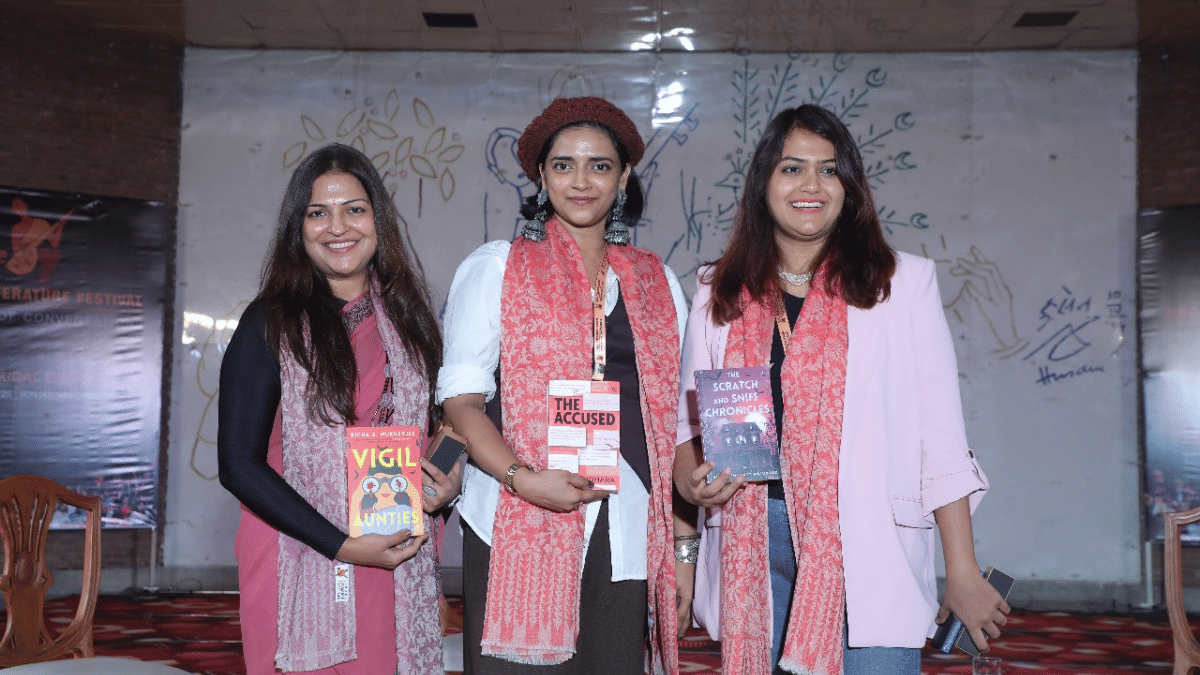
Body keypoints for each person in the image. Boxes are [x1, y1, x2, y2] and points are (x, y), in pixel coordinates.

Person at [674, 105, 1010, 675]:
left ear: (849, 189)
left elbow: (942, 439)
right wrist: (690, 477)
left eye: (829, 171)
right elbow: (690, 429)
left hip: (866, 537)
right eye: (792, 169)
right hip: (751, 537)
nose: (811, 185)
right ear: (764, 185)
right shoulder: (717, 289)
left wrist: (964, 569)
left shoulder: (902, 285)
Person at [439, 96, 690, 675]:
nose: (581, 181)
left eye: (600, 165)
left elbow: (672, 425)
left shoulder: (657, 281)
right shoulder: (496, 267)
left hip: (625, 518)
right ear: (540, 176)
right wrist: (524, 481)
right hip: (515, 515)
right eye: (563, 165)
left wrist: (683, 553)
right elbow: (462, 400)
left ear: (624, 177)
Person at [217, 143, 460, 675]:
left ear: (378, 221)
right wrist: (343, 546)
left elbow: (441, 432)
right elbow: (238, 464)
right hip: (296, 548)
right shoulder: (270, 323)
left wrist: (446, 484)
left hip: (392, 542)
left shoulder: (411, 324)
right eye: (317, 212)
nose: (338, 227)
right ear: (297, 229)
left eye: (354, 209)